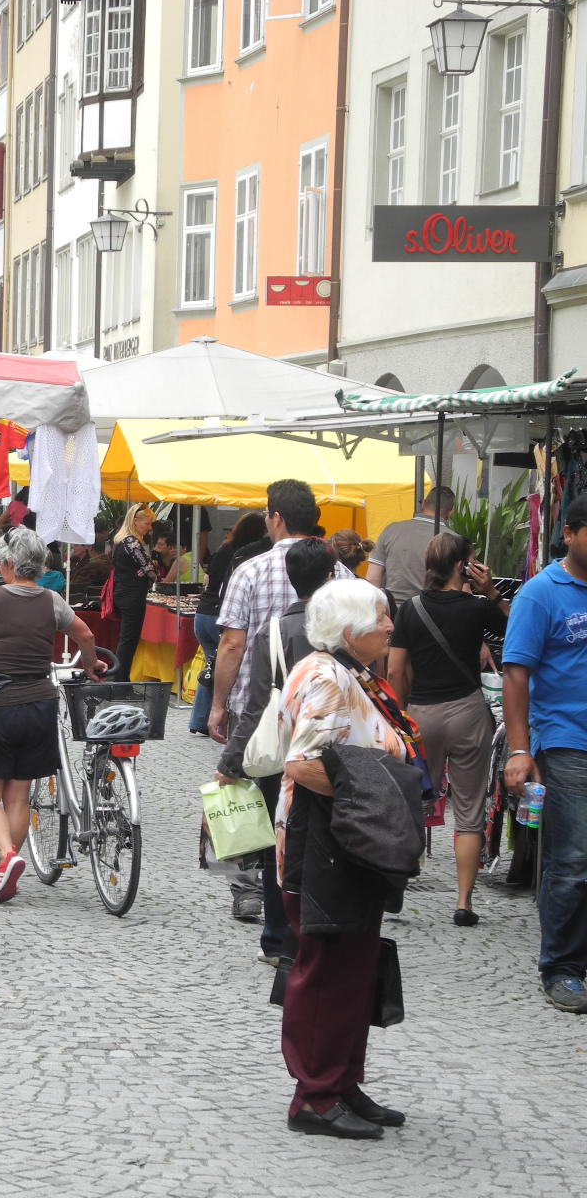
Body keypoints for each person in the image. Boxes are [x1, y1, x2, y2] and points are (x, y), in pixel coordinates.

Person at [277, 578, 416, 1139]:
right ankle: (314, 1097)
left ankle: (341, 1082)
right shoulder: (328, 677)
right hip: (325, 843)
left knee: (354, 968)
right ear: (351, 629)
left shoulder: (349, 672)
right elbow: (303, 763)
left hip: (348, 841)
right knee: (327, 971)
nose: (390, 625)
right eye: (381, 616)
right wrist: (378, 800)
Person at [211, 481, 351, 933]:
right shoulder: (343, 574)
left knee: (265, 809)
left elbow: (232, 643)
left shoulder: (250, 570)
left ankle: (258, 902)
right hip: (330, 717)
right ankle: (313, 918)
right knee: (318, 818)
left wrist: (218, 705)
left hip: (265, 715)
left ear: (276, 518)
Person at [0, 526, 102, 903]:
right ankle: (5, 867)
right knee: (19, 795)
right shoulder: (53, 600)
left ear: (10, 563)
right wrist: (90, 665)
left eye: (1, 561)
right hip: (41, 703)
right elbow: (86, 636)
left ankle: (7, 856)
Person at [386, 532, 508, 929]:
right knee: (470, 810)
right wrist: (490, 591)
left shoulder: (410, 609)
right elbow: (515, 628)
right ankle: (463, 902)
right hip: (468, 711)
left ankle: (394, 888)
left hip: (422, 714)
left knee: (412, 803)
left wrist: (401, 715)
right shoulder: (477, 608)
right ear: (461, 566)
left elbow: (394, 670)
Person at [502, 492, 587, 1014]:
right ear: (570, 534)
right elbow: (516, 674)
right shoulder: (541, 594)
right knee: (573, 859)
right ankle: (561, 967)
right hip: (567, 741)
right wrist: (519, 749)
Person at [191, 514, 267, 736]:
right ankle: (215, 717)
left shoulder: (225, 549)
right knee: (222, 667)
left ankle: (199, 720)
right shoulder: (248, 555)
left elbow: (209, 578)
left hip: (202, 614)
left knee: (212, 666)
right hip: (218, 614)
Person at [367, 486, 455, 609]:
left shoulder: (391, 530)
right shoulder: (453, 540)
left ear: (423, 503)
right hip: (430, 611)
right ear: (451, 513)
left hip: (392, 610)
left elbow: (372, 578)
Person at [110, 504, 158, 681]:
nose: (150, 528)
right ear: (135, 521)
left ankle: (121, 678)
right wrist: (152, 569)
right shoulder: (132, 542)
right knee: (129, 639)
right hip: (132, 594)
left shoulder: (121, 541)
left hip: (124, 592)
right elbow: (148, 568)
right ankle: (121, 681)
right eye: (147, 523)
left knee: (127, 638)